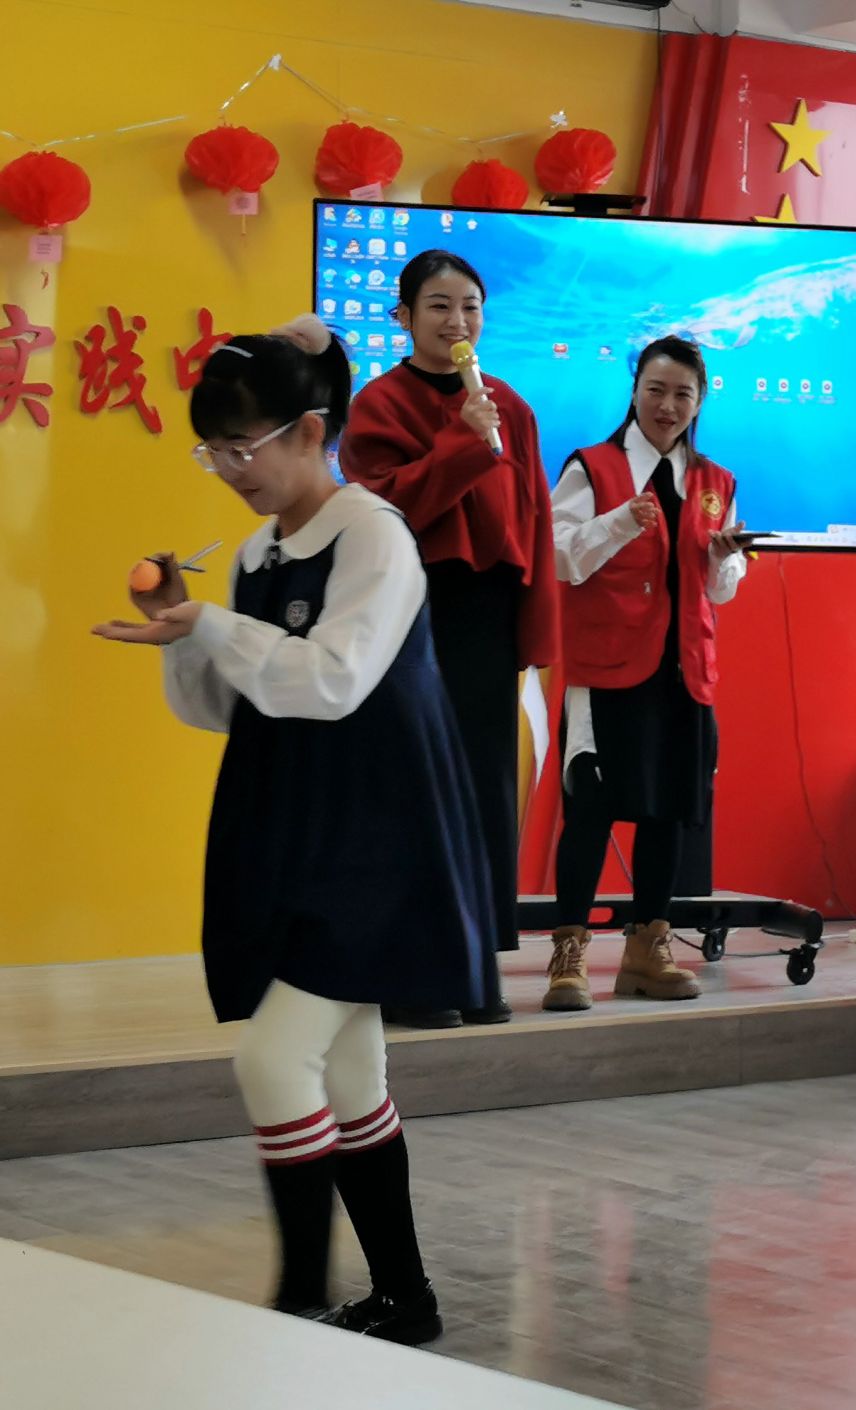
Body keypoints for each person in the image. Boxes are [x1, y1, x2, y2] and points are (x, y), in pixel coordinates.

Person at [93, 316, 488, 1345]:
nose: (229, 470)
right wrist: (185, 637)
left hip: (378, 842)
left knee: (272, 1062)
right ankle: (403, 1299)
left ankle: (302, 1304)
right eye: (213, 452)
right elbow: (232, 708)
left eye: (241, 447)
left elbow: (333, 680)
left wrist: (213, 626)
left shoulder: (373, 535)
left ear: (311, 431)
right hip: (298, 834)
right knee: (351, 1075)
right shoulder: (258, 552)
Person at [340, 250, 559, 1027]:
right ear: (402, 317)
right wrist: (464, 442)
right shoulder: (378, 406)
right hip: (412, 614)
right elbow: (385, 512)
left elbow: (533, 522)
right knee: (415, 787)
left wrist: (536, 628)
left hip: (488, 622)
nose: (456, 321)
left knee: (486, 792)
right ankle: (411, 970)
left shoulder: (510, 407)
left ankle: (475, 968)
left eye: (470, 306)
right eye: (438, 306)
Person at [542, 337, 748, 1011]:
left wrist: (724, 556)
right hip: (607, 667)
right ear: (634, 391)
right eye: (656, 390)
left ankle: (647, 949)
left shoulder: (716, 482)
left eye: (683, 394)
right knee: (590, 811)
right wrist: (618, 524)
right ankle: (569, 953)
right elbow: (560, 558)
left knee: (670, 813)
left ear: (700, 402)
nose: (668, 405)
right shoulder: (592, 466)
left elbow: (720, 591)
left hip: (684, 671)